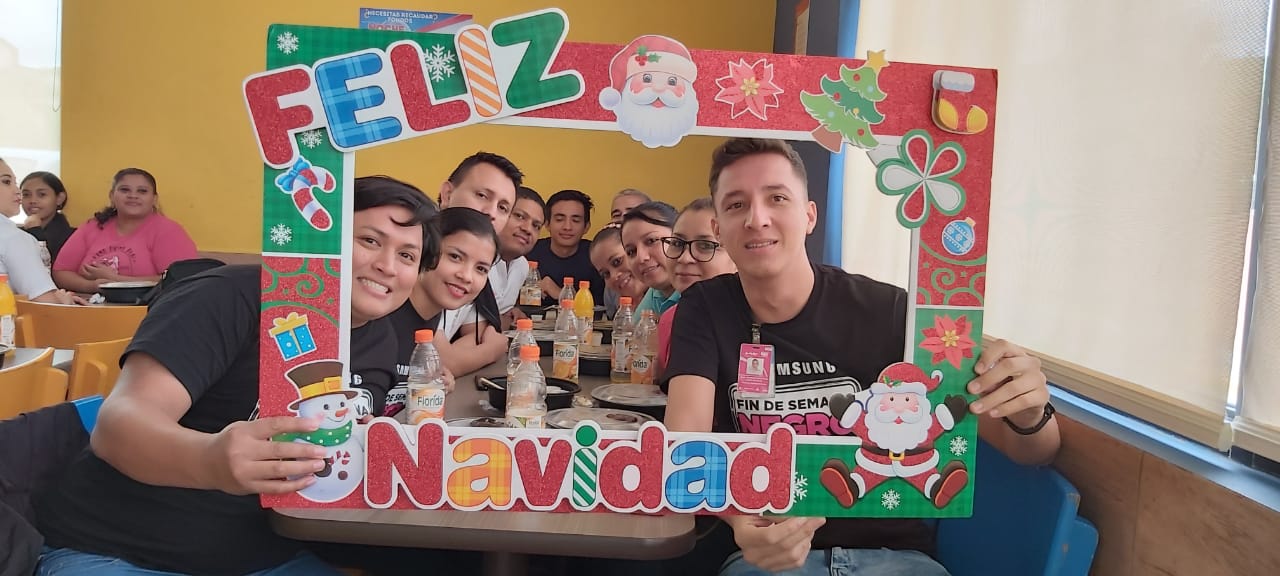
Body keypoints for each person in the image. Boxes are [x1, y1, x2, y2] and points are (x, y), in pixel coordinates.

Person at [663, 138, 1060, 575]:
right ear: (718, 228)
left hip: (897, 557)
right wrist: (741, 522)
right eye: (736, 205)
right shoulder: (704, 308)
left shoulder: (892, 313)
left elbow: (1034, 450)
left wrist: (1029, 412)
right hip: (764, 558)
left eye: (777, 198)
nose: (757, 219)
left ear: (809, 215)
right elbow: (685, 446)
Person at [33, 175, 440, 575]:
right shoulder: (229, 296)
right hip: (117, 550)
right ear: (322, 240)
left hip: (270, 556)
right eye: (369, 240)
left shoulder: (381, 339)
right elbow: (118, 427)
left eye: (407, 256)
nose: (387, 266)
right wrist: (210, 459)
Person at [385, 207, 502, 413]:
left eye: (481, 269)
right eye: (455, 257)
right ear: (426, 250)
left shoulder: (432, 316)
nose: (467, 276)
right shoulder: (380, 313)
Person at [433, 152, 521, 369]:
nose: (491, 213)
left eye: (503, 208)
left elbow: (477, 333)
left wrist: (461, 355)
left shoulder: (476, 266)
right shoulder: (418, 253)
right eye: (482, 195)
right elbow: (436, 362)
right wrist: (491, 350)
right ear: (447, 194)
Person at [52, 168, 197, 293]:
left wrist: (115, 280)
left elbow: (181, 280)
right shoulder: (92, 226)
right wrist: (91, 286)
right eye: (124, 190)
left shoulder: (169, 231)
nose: (133, 196)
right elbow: (61, 272)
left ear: (154, 199)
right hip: (90, 307)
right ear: (111, 196)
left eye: (142, 191)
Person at [655, 198, 737, 377]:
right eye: (677, 243)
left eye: (706, 246)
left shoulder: (759, 322)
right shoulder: (670, 319)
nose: (685, 258)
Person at [0, 158, 81, 304]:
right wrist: (64, 301)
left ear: (59, 198)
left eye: (41, 194)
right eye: (6, 182)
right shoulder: (14, 237)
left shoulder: (74, 235)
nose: (17, 191)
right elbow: (45, 302)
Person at [528, 189, 604, 306]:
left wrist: (560, 294)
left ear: (586, 227)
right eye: (559, 219)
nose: (567, 227)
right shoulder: (529, 251)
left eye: (576, 220)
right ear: (547, 224)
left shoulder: (597, 256)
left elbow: (602, 308)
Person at [495, 186, 545, 329]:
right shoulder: (475, 259)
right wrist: (503, 320)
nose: (528, 229)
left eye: (536, 226)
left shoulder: (522, 266)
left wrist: (512, 313)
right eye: (519, 216)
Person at [621, 201, 680, 317]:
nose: (641, 258)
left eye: (651, 241)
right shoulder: (655, 294)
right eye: (631, 251)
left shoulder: (702, 296)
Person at [588, 224, 647, 318]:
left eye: (617, 262)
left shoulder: (669, 298)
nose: (613, 276)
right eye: (605, 274)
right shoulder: (618, 306)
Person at [20, 171, 76, 264]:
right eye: (26, 195)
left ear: (59, 198)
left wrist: (35, 231)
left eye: (42, 194)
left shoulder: (74, 237)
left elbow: (41, 266)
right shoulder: (14, 233)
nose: (33, 200)